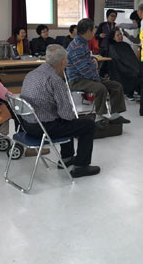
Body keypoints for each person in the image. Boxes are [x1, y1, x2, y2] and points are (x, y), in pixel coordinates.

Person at [20, 45, 100, 178]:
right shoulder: (55, 80)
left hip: (27, 125)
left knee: (63, 120)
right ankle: (81, 166)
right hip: (42, 128)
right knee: (87, 125)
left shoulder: (31, 74)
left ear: (46, 58)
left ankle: (67, 158)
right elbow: (67, 115)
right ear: (63, 62)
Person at [66, 18, 130, 127]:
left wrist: (94, 60)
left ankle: (115, 115)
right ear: (88, 31)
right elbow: (85, 70)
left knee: (116, 86)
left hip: (88, 77)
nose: (94, 33)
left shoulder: (83, 43)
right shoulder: (76, 46)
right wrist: (97, 77)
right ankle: (99, 117)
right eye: (93, 30)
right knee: (100, 87)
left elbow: (88, 61)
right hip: (77, 80)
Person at [107, 28, 140, 101]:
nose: (120, 36)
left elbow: (132, 58)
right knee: (134, 73)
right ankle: (129, 93)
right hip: (120, 68)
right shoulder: (112, 47)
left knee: (140, 71)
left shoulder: (126, 45)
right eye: (118, 35)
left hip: (129, 66)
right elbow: (118, 60)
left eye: (121, 34)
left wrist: (135, 66)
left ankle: (139, 91)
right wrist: (130, 67)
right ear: (113, 38)